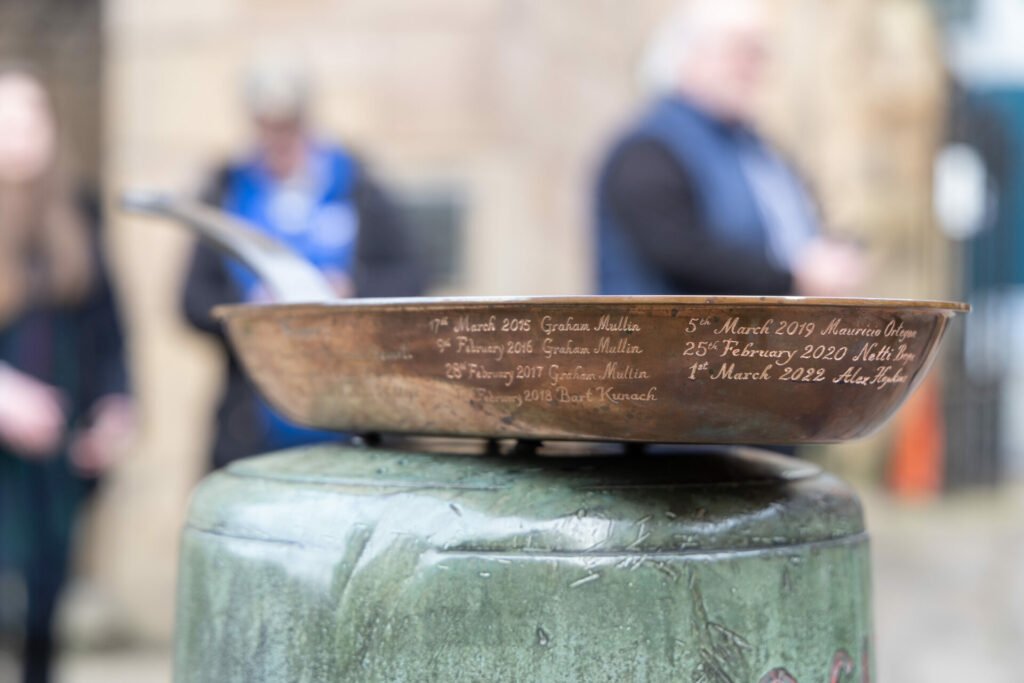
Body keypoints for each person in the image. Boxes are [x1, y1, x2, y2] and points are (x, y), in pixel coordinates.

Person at [183, 58, 424, 469]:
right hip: (254, 424)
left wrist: (351, 295)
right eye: (267, 125)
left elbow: (411, 277)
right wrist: (250, 310)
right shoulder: (228, 191)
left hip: (355, 426)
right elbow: (191, 300)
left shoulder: (356, 184)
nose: (278, 137)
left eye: (287, 124)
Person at [0, 67, 132, 683]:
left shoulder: (77, 209)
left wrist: (114, 403)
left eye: (31, 118)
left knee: (48, 592)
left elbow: (108, 323)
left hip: (58, 444)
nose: (20, 135)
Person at [595, 0, 864, 296]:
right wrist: (792, 277)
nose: (751, 67)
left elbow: (804, 230)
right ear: (688, 54)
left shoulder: (762, 151)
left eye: (759, 54)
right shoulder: (647, 152)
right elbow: (680, 252)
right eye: (738, 51)